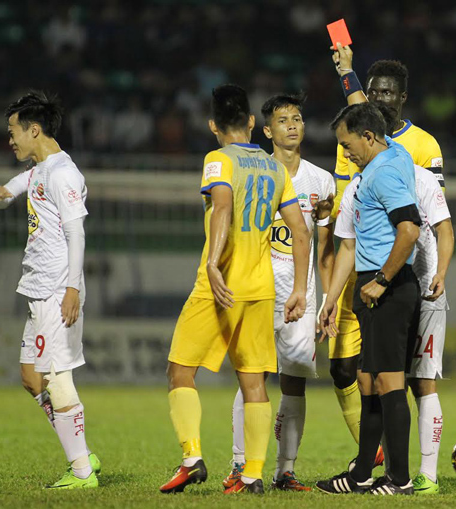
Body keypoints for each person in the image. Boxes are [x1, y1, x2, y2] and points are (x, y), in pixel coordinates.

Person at [159, 84, 311, 495]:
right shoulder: (274, 168)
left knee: (180, 371)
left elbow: (222, 207)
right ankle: (252, 475)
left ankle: (192, 459)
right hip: (261, 288)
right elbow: (300, 231)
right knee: (254, 382)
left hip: (219, 286)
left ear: (213, 126)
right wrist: (299, 287)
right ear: (250, 122)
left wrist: (212, 263)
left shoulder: (217, 160)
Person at [222, 93, 335, 492]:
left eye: (298, 118)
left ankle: (284, 470)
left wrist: (326, 300)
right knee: (254, 378)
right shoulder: (254, 173)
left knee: (295, 380)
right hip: (256, 285)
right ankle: (239, 466)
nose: (293, 125)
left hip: (301, 294)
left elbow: (325, 247)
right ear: (266, 130)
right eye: (283, 119)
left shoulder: (321, 182)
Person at [0, 91, 100, 489]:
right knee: (31, 380)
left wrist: (72, 288)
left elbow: (76, 232)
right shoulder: (40, 170)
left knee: (55, 377)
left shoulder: (62, 174)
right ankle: (82, 454)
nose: (10, 140)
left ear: (34, 130)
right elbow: (11, 189)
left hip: (57, 289)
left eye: (13, 132)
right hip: (39, 290)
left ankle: (82, 471)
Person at [317, 103, 421, 496]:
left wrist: (382, 279)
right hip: (369, 286)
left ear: (369, 137)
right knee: (367, 380)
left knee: (390, 382)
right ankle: (362, 473)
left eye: (347, 145)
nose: (345, 153)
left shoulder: (384, 173)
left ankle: (400, 480)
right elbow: (349, 245)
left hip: (388, 288)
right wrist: (331, 298)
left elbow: (409, 229)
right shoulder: (391, 154)